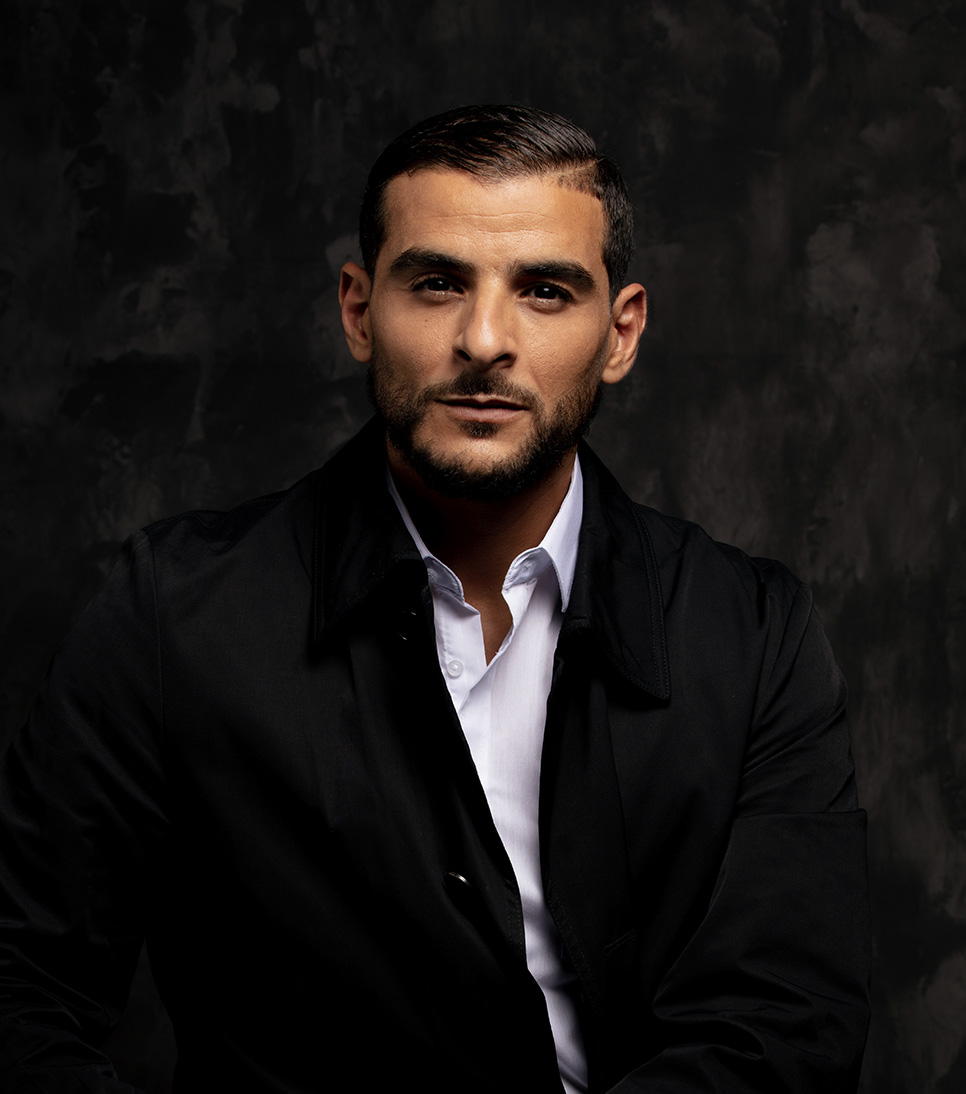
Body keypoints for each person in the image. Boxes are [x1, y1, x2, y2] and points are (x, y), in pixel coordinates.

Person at [0, 105, 870, 1093]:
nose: (484, 339)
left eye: (545, 290)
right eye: (438, 282)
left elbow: (786, 1028)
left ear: (620, 333)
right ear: (358, 310)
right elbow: (21, 985)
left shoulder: (751, 635)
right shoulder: (175, 615)